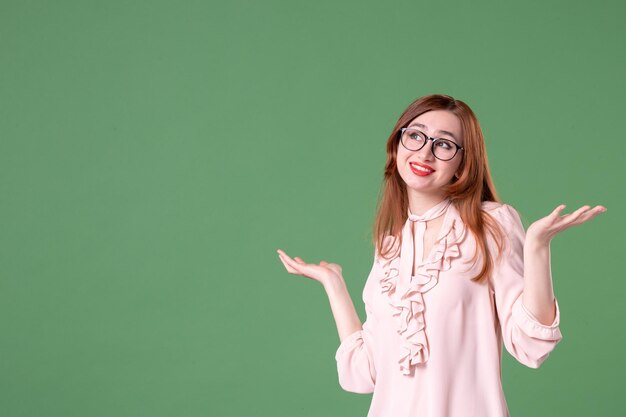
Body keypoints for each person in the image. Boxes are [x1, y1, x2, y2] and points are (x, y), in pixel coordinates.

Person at [276, 94, 605, 417]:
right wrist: (334, 285)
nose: (425, 152)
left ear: (463, 163)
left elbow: (531, 345)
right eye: (415, 136)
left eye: (444, 144)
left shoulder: (490, 224)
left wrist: (537, 248)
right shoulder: (389, 251)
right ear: (397, 145)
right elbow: (365, 373)